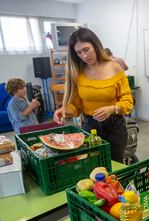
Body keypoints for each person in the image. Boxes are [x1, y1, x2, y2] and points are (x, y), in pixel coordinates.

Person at [53, 28, 133, 163]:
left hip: (115, 127)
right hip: (90, 127)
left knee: (115, 167)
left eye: (86, 49)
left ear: (96, 46)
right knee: (94, 166)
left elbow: (128, 100)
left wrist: (112, 109)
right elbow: (76, 107)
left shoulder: (114, 67)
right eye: (78, 52)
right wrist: (64, 110)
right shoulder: (77, 72)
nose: (84, 56)